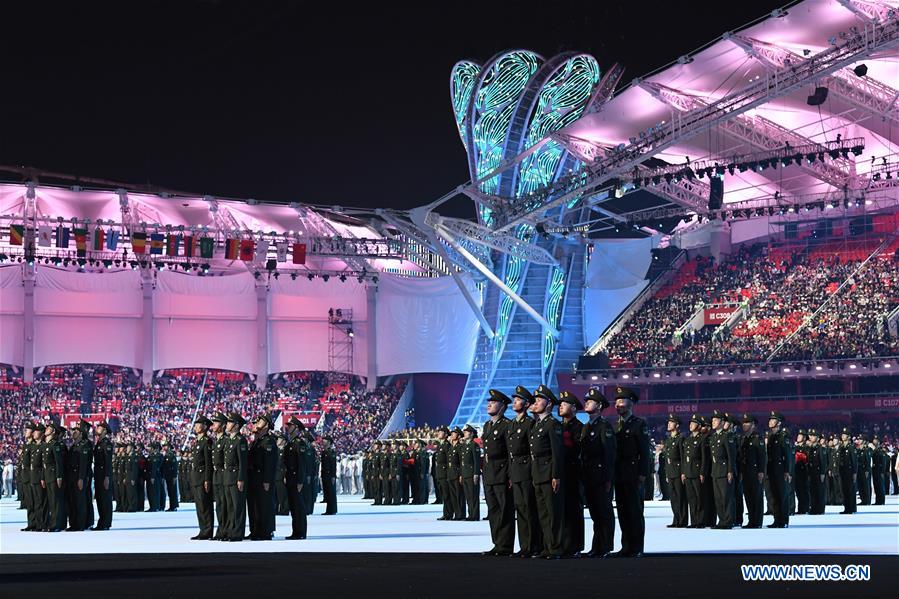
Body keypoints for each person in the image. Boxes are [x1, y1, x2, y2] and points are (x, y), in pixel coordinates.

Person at [612, 386, 650, 557]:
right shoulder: (615, 425)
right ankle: (625, 546)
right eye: (616, 401)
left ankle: (637, 547)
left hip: (634, 474)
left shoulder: (639, 424)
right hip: (619, 474)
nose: (618, 404)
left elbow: (644, 452)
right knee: (622, 512)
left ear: (631, 403)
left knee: (635, 512)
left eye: (621, 401)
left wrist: (642, 474)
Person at [579, 388, 616, 557]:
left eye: (590, 401)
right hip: (589, 475)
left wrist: (608, 478)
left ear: (599, 406)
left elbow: (609, 454)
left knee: (604, 512)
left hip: (601, 476)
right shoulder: (586, 427)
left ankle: (606, 546)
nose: (586, 402)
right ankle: (597, 546)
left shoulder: (604, 426)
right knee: (595, 513)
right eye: (586, 400)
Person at [528, 384, 563, 560]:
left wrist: (556, 475)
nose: (536, 402)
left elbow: (557, 453)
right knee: (543, 513)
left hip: (549, 473)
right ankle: (547, 547)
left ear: (549, 404)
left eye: (540, 399)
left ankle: (556, 547)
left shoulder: (552, 424)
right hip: (538, 473)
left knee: (553, 513)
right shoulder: (537, 425)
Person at [506, 385, 541, 557]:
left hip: (527, 469)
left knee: (529, 509)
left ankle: (533, 545)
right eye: (514, 399)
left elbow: (533, 451)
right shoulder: (512, 424)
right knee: (520, 509)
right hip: (516, 470)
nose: (514, 402)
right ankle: (524, 545)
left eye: (518, 400)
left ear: (527, 404)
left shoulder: (530, 423)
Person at [481, 389, 513, 556]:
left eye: (493, 402)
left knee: (504, 510)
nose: (489, 404)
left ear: (502, 406)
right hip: (489, 474)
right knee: (493, 511)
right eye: (489, 402)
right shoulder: (487, 425)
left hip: (502, 473)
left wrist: (509, 475)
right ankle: (497, 543)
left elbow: (509, 453)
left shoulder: (507, 426)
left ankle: (505, 545)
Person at [556, 391, 584, 558]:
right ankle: (563, 543)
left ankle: (574, 545)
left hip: (573, 473)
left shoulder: (578, 427)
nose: (560, 406)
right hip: (561, 472)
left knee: (573, 510)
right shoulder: (559, 426)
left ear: (574, 408)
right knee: (562, 511)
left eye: (564, 404)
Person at [248, 413, 278, 540]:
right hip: (254, 478)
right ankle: (255, 529)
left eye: (259, 421)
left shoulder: (269, 441)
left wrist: (267, 480)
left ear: (266, 425)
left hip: (263, 479)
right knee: (255, 506)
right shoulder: (257, 441)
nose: (256, 423)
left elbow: (270, 464)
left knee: (264, 505)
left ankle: (265, 531)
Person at [222, 412, 248, 541]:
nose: (227, 424)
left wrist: (241, 478)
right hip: (228, 477)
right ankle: (231, 530)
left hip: (236, 477)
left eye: (230, 422)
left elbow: (243, 462)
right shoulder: (229, 440)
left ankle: (238, 532)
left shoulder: (240, 440)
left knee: (238, 507)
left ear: (237, 425)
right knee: (230, 507)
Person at [709, 410, 736, 529]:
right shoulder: (714, 436)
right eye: (712, 420)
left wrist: (730, 470)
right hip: (715, 471)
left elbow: (731, 456)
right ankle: (721, 520)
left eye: (715, 420)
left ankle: (728, 521)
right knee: (718, 498)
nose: (713, 422)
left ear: (722, 422)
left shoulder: (726, 436)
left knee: (726, 497)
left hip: (725, 470)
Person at [189, 415, 214, 540]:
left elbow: (208, 463)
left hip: (203, 478)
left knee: (205, 505)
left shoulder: (207, 442)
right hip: (196, 478)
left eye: (198, 424)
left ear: (204, 427)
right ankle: (202, 529)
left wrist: (207, 479)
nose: (196, 426)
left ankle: (207, 530)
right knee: (199, 506)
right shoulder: (198, 442)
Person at [284, 416, 309, 539]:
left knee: (299, 507)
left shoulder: (300, 444)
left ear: (297, 428)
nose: (288, 427)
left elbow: (302, 464)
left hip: (296, 479)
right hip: (290, 478)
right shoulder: (291, 443)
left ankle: (301, 532)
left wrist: (300, 481)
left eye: (291, 426)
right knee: (293, 507)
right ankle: (296, 531)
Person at [739, 414, 766, 528]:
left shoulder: (757, 438)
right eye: (743, 423)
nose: (744, 425)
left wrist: (761, 471)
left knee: (756, 496)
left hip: (755, 471)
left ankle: (757, 521)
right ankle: (751, 520)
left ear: (753, 425)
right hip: (745, 471)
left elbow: (762, 456)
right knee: (748, 496)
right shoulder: (743, 438)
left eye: (747, 423)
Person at [766, 411, 792, 528]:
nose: (770, 421)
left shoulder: (783, 436)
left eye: (773, 419)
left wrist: (787, 471)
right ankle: (777, 519)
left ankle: (784, 520)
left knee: (782, 496)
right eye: (770, 419)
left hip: (781, 471)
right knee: (774, 496)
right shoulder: (771, 436)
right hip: (772, 470)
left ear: (779, 423)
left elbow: (787, 456)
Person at [65, 420, 92, 531]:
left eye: (76, 431)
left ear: (81, 433)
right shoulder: (73, 446)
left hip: (79, 477)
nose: (73, 432)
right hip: (71, 477)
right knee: (72, 501)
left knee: (80, 501)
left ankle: (80, 524)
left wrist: (81, 478)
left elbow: (83, 464)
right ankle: (73, 523)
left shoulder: (84, 445)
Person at [663, 414, 687, 528]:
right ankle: (676, 519)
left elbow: (683, 457)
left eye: (671, 422)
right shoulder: (669, 440)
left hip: (678, 471)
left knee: (680, 496)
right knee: (673, 498)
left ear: (677, 425)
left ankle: (682, 519)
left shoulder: (680, 438)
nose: (668, 424)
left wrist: (683, 472)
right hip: (670, 471)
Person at [42, 423, 67, 532]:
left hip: (53, 476)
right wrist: (43, 477)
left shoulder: (55, 444)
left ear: (53, 432)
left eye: (49, 429)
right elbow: (44, 464)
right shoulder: (47, 445)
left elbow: (59, 463)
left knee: (56, 501)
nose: (46, 430)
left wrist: (59, 477)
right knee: (52, 501)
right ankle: (54, 523)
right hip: (47, 476)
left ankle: (56, 524)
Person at [91, 420, 114, 530]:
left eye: (99, 428)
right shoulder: (99, 443)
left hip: (104, 475)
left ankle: (106, 523)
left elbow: (108, 462)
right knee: (100, 499)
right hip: (98, 475)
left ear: (104, 430)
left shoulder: (106, 444)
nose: (97, 429)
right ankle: (102, 522)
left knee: (105, 500)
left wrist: (107, 477)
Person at [209, 412, 228, 538]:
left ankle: (224, 530)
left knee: (224, 504)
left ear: (222, 425)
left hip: (223, 475)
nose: (213, 426)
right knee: (219, 505)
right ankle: (221, 529)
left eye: (216, 423)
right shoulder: (216, 441)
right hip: (216, 475)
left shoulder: (226, 440)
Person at [28, 423, 47, 531]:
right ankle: (37, 523)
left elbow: (43, 465)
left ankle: (42, 524)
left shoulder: (43, 446)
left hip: (40, 477)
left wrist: (42, 477)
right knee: (36, 502)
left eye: (36, 431)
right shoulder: (35, 446)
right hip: (34, 477)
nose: (34, 433)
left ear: (41, 433)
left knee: (41, 502)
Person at [459, 425, 481, 521]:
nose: (464, 433)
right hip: (465, 473)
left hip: (472, 473)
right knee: (468, 495)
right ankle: (470, 514)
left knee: (473, 496)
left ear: (471, 434)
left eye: (467, 432)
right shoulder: (464, 445)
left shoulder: (474, 445)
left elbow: (476, 461)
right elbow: (462, 462)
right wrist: (461, 474)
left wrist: (476, 474)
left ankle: (475, 515)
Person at [836, 428, 858, 514]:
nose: (842, 436)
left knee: (850, 490)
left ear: (848, 437)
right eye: (842, 434)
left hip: (849, 471)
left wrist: (855, 472)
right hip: (843, 471)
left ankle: (851, 508)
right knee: (844, 490)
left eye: (844, 434)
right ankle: (846, 507)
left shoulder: (851, 447)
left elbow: (854, 460)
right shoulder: (841, 447)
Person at [805, 429, 826, 515]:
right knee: (812, 491)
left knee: (819, 491)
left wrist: (822, 473)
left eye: (813, 436)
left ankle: (820, 509)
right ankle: (813, 508)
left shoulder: (820, 448)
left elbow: (823, 462)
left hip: (818, 473)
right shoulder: (810, 448)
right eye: (810, 435)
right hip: (811, 473)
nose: (811, 437)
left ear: (817, 438)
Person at [446, 427, 465, 520]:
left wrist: (461, 474)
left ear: (458, 435)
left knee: (459, 495)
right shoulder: (451, 447)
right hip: (451, 474)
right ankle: (456, 513)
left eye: (454, 433)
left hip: (457, 474)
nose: (452, 435)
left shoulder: (460, 447)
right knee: (453, 495)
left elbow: (462, 462)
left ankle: (461, 514)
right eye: (452, 433)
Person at [433, 427, 452, 520]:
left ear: (445, 434)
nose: (439, 433)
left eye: (441, 432)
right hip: (440, 473)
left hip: (445, 473)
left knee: (447, 495)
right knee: (444, 495)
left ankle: (448, 513)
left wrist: (448, 474)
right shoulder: (441, 445)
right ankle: (446, 513)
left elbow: (449, 461)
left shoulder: (446, 445)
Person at [321, 435, 338, 515]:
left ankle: (332, 509)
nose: (323, 442)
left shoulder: (331, 452)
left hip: (329, 475)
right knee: (327, 492)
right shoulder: (324, 452)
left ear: (329, 442)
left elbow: (333, 465)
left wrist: (333, 476)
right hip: (325, 475)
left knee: (331, 492)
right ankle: (330, 509)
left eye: (324, 440)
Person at [794, 430, 809, 515]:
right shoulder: (795, 447)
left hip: (803, 472)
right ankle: (801, 508)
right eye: (798, 435)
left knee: (804, 491)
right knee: (798, 491)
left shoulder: (805, 447)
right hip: (796, 471)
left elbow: (807, 459)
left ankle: (805, 508)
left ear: (804, 438)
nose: (798, 437)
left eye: (800, 436)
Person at [161, 440, 179, 512]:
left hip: (171, 476)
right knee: (170, 491)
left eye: (165, 446)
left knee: (172, 491)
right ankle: (172, 505)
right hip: (168, 475)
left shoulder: (171, 455)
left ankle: (173, 506)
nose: (164, 447)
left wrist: (174, 476)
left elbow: (174, 466)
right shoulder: (167, 455)